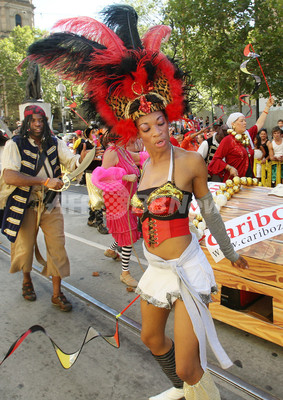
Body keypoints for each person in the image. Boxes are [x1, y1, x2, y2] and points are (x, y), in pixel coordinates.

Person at [27, 5, 248, 398]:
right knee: (151, 338)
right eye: (145, 127)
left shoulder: (191, 161)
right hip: (156, 268)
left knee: (187, 363)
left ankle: (197, 390)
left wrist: (229, 252)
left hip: (187, 270)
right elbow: (137, 209)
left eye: (160, 122)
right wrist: (133, 209)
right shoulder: (142, 169)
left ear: (169, 117)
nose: (156, 131)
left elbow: (209, 210)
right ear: (136, 132)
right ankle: (189, 393)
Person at [0, 105, 87, 311]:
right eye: (33, 120)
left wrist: (82, 158)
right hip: (24, 204)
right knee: (24, 247)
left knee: (57, 247)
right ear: (26, 122)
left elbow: (71, 162)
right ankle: (26, 280)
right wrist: (45, 181)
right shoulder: (15, 144)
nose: (38, 124)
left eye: (41, 120)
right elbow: (9, 176)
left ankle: (57, 293)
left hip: (50, 203)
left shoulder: (54, 142)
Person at [92, 131, 144, 288]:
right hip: (118, 201)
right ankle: (125, 273)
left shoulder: (124, 151)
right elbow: (101, 177)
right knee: (128, 235)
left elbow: (142, 157)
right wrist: (125, 177)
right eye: (135, 134)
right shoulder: (112, 151)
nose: (137, 138)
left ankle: (111, 250)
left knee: (125, 231)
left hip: (129, 200)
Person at [208, 97, 274, 181]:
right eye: (241, 121)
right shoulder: (228, 140)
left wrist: (267, 107)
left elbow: (259, 124)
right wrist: (229, 168)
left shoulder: (248, 135)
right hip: (233, 181)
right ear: (233, 124)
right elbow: (216, 160)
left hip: (249, 179)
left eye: (245, 121)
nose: (245, 123)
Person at [77, 127, 108, 234]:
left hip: (100, 173)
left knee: (96, 196)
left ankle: (91, 220)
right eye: (92, 132)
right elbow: (79, 158)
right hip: (90, 173)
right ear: (87, 134)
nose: (95, 133)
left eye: (96, 131)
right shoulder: (85, 145)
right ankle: (100, 224)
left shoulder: (100, 144)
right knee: (96, 197)